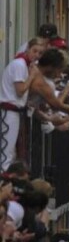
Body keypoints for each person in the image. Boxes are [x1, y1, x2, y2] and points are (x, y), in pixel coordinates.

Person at [0, 38, 45, 170]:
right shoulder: (19, 65)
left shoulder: (24, 65)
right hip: (9, 112)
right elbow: (20, 91)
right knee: (6, 151)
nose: (36, 55)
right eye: (34, 51)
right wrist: (31, 76)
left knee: (9, 151)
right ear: (27, 50)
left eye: (40, 53)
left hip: (14, 112)